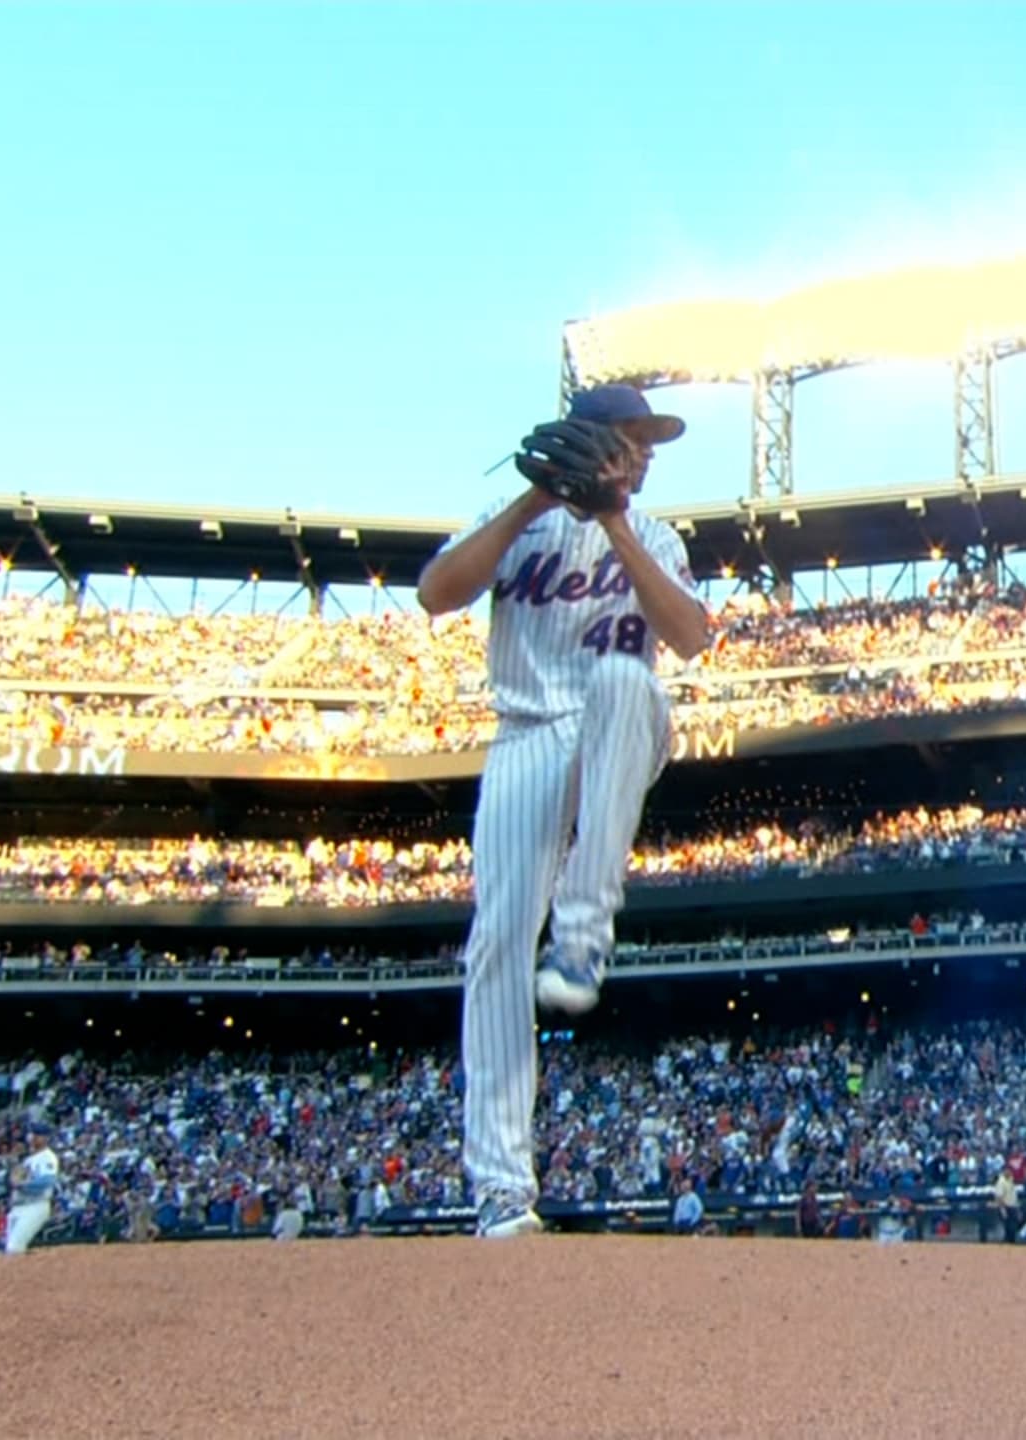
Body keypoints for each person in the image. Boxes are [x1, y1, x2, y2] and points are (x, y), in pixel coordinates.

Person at [416, 383, 710, 1241]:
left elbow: (689, 638)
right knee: (497, 945)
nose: (649, 451)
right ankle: (503, 1194)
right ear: (588, 441)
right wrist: (538, 496)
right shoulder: (519, 522)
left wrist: (615, 521)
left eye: (652, 439)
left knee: (626, 678)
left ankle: (583, 932)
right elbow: (438, 593)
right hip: (526, 736)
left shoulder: (656, 534)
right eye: (633, 438)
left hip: (615, 728)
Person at [5, 1125, 62, 1257]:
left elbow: (47, 1182)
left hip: (36, 1205)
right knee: (10, 1250)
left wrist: (22, 1185)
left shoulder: (48, 1157)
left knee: (14, 1248)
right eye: (33, 1134)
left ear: (46, 1138)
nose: (34, 1137)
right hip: (18, 1207)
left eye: (38, 1135)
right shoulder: (28, 1159)